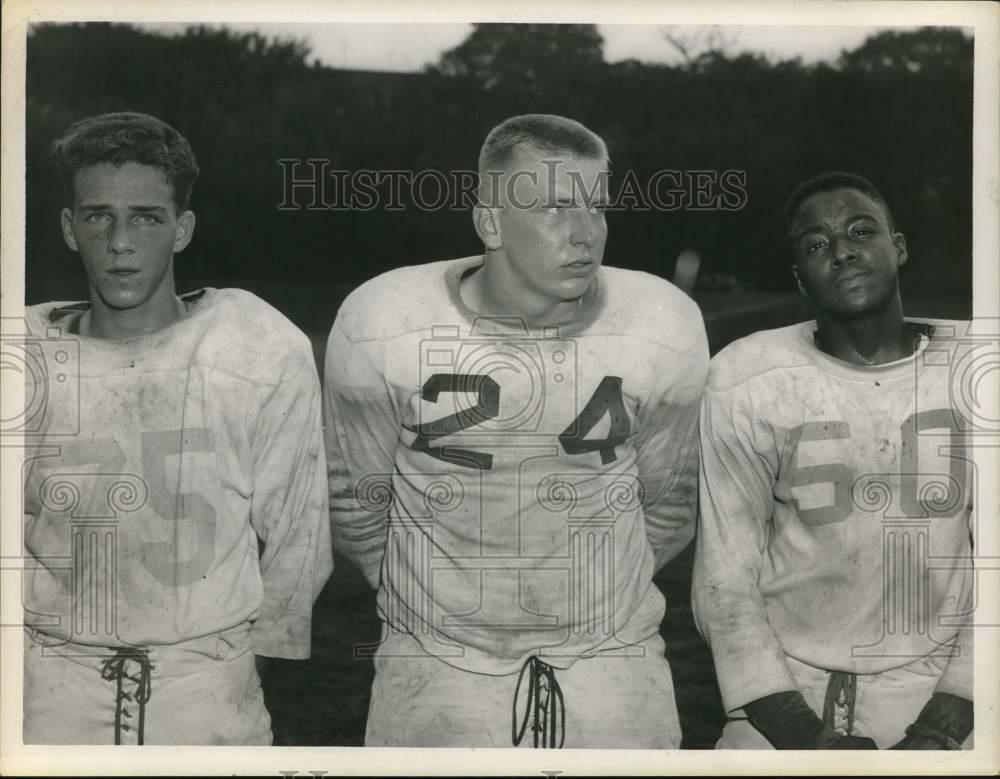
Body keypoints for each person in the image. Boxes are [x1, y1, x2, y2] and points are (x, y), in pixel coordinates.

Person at [324, 113, 709, 748]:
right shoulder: (383, 321)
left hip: (611, 659)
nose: (585, 233)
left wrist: (584, 607)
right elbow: (356, 502)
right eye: (556, 208)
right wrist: (442, 609)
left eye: (597, 207)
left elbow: (669, 501)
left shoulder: (662, 323)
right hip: (436, 664)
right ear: (491, 222)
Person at [21, 111, 333, 745]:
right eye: (97, 215)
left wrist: (235, 666)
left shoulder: (254, 345)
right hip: (51, 684)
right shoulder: (23, 355)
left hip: (206, 687)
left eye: (146, 217)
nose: (120, 242)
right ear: (68, 228)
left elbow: (299, 535)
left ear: (182, 228)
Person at [692, 171, 974, 750]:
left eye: (860, 231)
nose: (842, 251)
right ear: (800, 277)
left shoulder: (977, 374)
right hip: (784, 685)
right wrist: (803, 736)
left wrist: (944, 727)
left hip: (942, 681)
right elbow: (725, 575)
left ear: (898, 247)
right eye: (816, 245)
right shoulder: (750, 377)